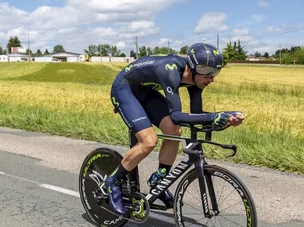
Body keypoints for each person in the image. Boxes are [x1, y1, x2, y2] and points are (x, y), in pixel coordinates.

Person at [104, 43, 244, 215]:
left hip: (146, 92)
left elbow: (196, 115)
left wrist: (225, 119)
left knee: (174, 130)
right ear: (192, 68)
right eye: (208, 73)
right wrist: (215, 116)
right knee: (149, 142)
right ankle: (112, 182)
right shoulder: (170, 71)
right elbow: (177, 115)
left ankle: (159, 180)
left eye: (215, 72)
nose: (211, 78)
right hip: (124, 89)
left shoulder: (196, 81)